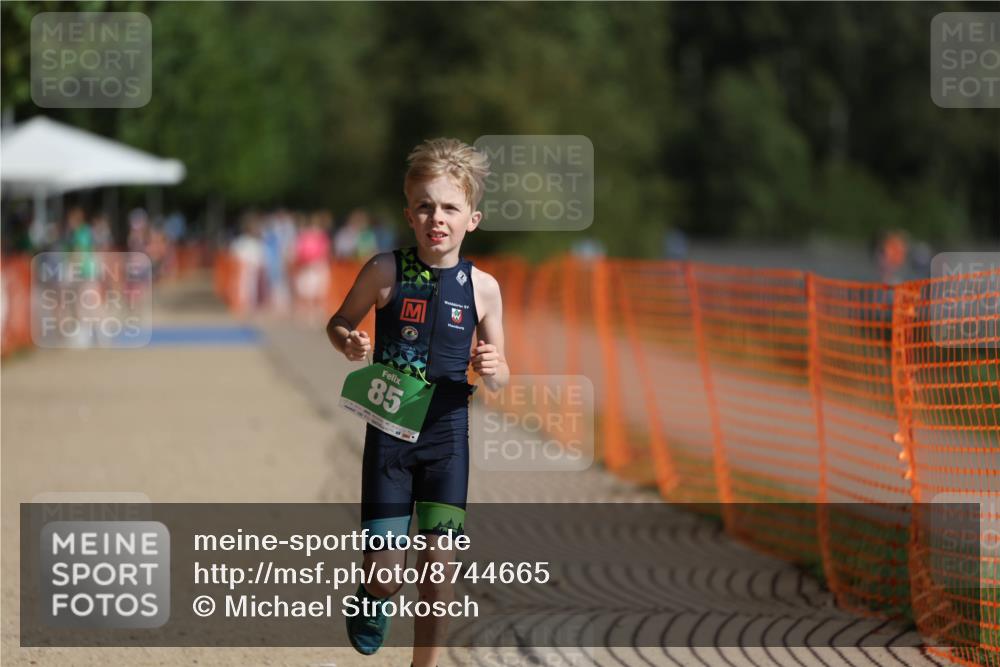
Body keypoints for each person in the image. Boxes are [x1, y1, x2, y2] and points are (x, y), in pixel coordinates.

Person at [326, 138, 509, 667]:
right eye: (425, 206)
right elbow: (339, 322)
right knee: (387, 576)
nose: (437, 218)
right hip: (389, 439)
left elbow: (502, 375)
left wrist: (493, 367)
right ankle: (373, 595)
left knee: (437, 570)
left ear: (472, 219)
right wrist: (348, 341)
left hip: (448, 441)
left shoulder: (484, 288)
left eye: (450, 207)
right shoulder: (385, 270)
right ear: (409, 214)